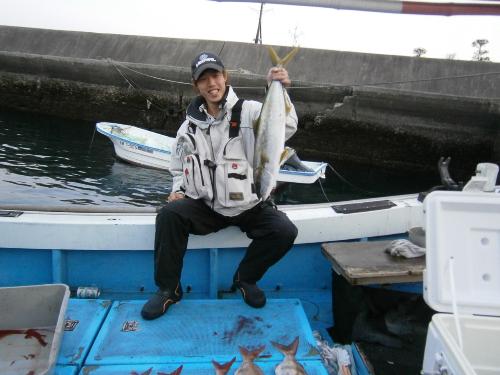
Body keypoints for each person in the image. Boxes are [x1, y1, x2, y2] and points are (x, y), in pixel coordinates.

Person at [141, 51, 299, 320]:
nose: (211, 83)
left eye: (215, 75)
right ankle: (169, 289)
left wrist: (279, 88)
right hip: (207, 206)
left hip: (250, 203)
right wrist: (178, 188)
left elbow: (285, 127)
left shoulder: (249, 111)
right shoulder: (187, 128)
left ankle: (246, 279)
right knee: (168, 216)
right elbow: (178, 165)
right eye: (204, 79)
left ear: (225, 77)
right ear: (196, 85)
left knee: (284, 231)